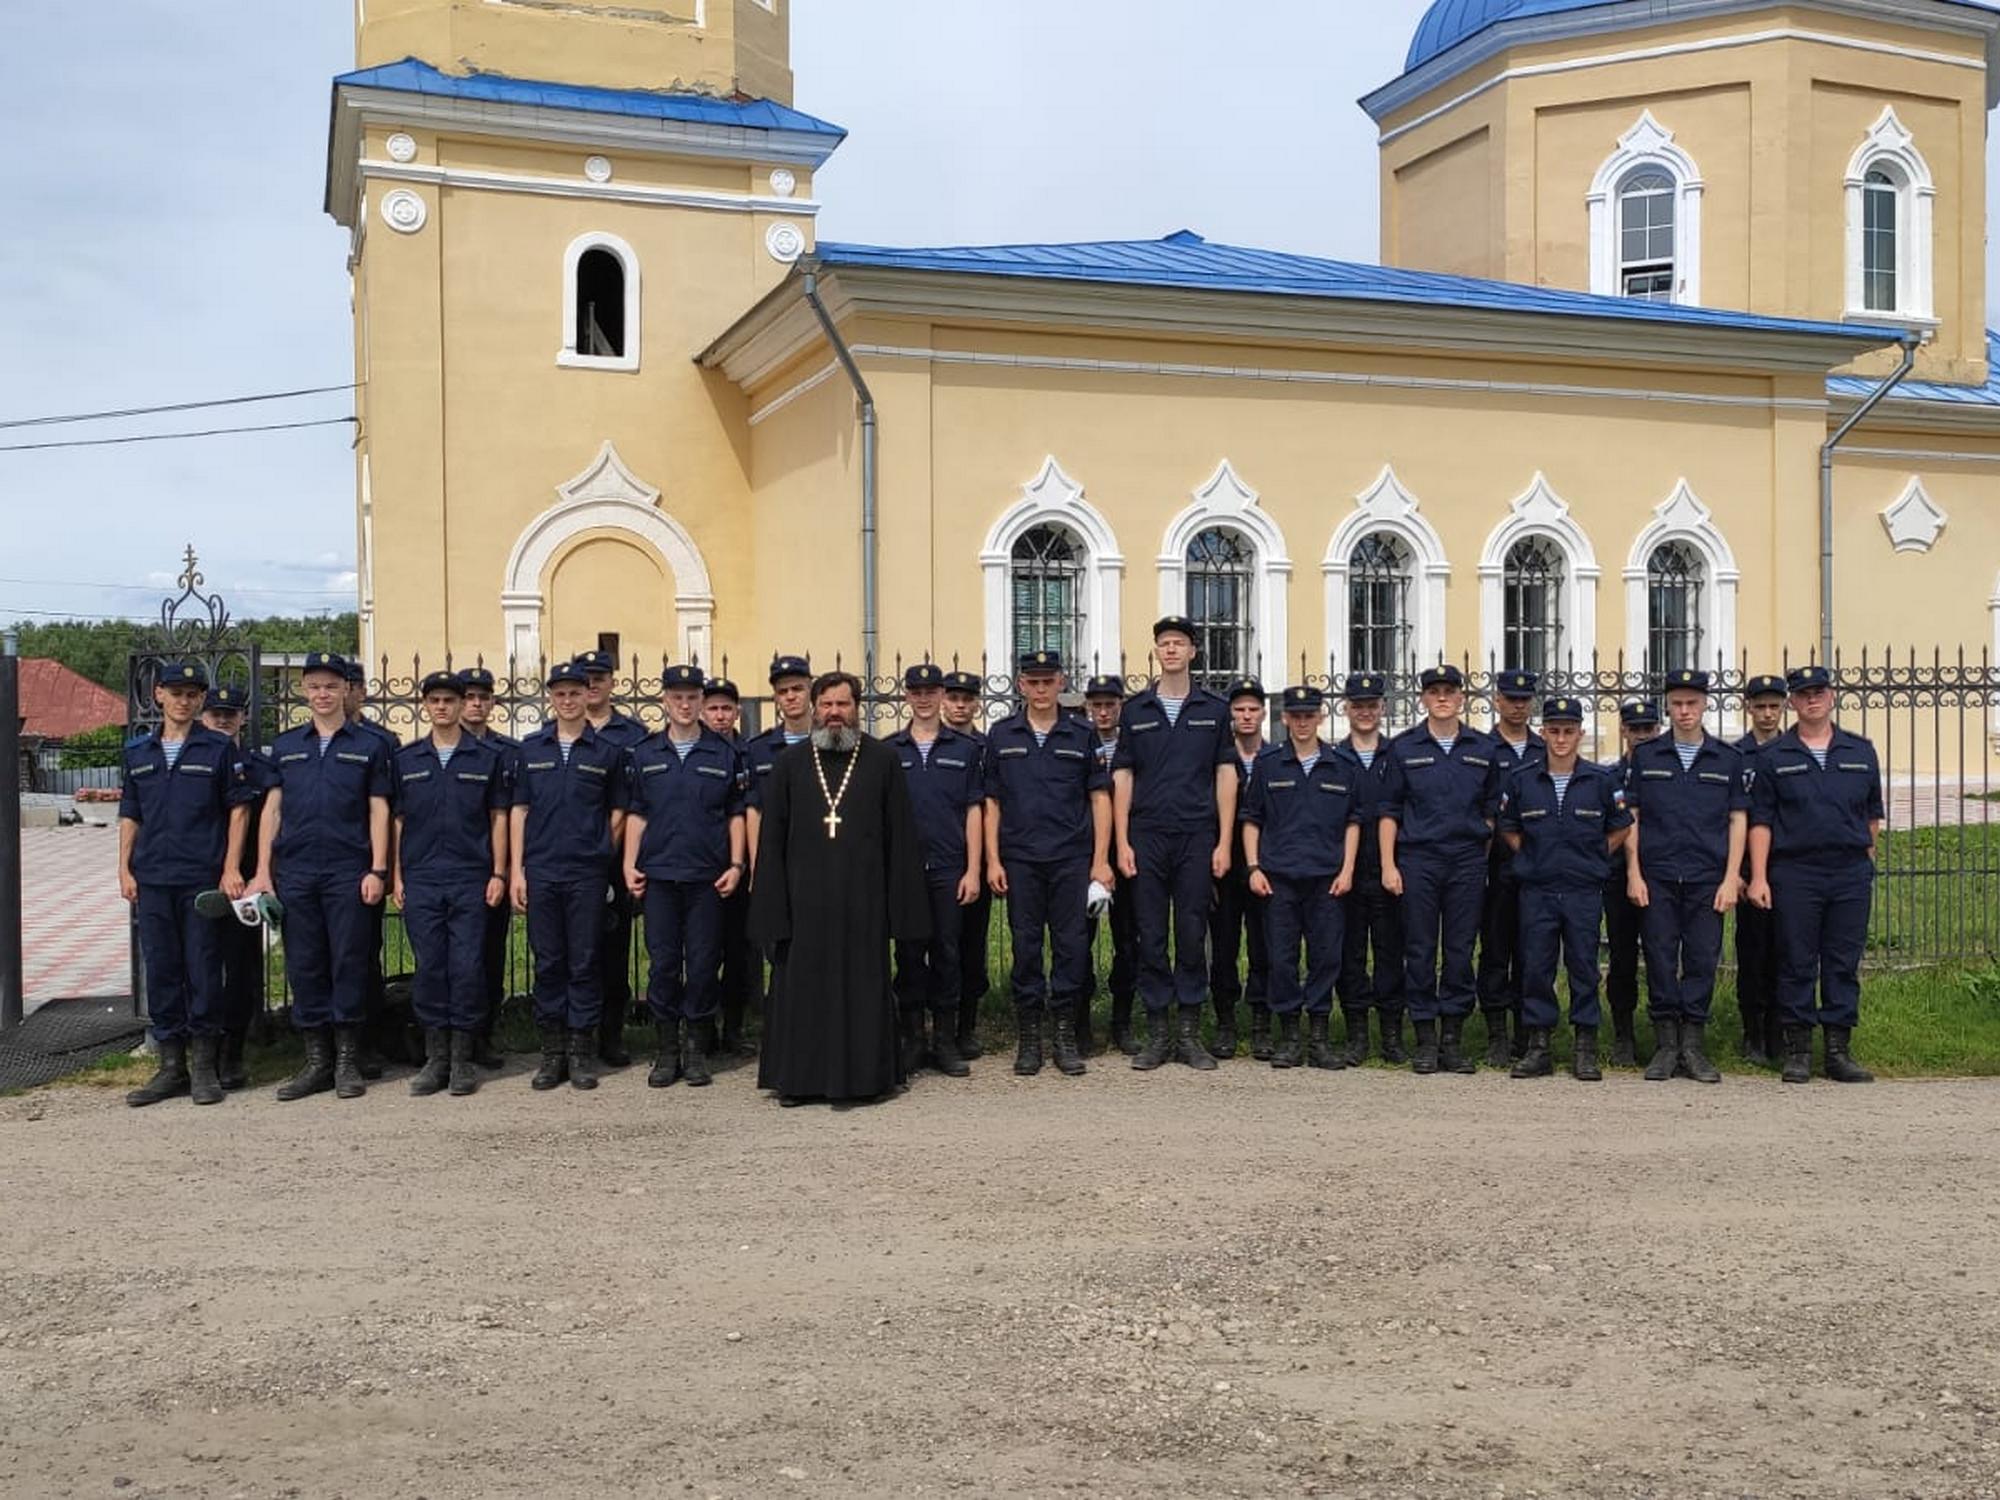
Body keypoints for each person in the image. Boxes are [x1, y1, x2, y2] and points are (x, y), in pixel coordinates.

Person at [747, 671, 933, 1106]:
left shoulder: (882, 760)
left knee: (862, 987)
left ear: (857, 708)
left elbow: (900, 836)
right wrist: (772, 908)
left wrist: (900, 909)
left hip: (863, 901)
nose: (834, 713)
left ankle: (865, 1079)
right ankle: (797, 1080)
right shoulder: (790, 765)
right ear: (814, 708)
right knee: (801, 989)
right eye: (827, 704)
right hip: (803, 901)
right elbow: (771, 839)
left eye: (843, 704)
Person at [247, 652, 394, 1102]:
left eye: (332, 686)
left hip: (349, 870)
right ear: (304, 692)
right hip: (296, 870)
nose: (323, 694)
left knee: (349, 961)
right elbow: (272, 810)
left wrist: (378, 869)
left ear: (347, 690)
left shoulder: (369, 745)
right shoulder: (288, 746)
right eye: (315, 686)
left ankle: (349, 1058)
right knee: (305, 963)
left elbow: (379, 809)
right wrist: (262, 872)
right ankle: (317, 1060)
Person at [119, 662, 257, 1107]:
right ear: (158, 695)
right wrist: (124, 868)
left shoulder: (218, 749)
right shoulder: (138, 751)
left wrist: (231, 867)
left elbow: (239, 810)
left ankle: (203, 1067)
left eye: (193, 694)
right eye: (176, 692)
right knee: (162, 971)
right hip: (154, 877)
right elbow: (130, 813)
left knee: (202, 971)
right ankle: (170, 1067)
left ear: (200, 700)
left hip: (199, 877)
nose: (184, 701)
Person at [1746, 665, 1883, 1085]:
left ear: (1832, 695)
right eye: (1803, 693)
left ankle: (1838, 1052)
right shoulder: (1774, 756)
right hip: (1795, 871)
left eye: (1818, 692)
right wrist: (1760, 877)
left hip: (1848, 872)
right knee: (1796, 960)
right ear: (1793, 701)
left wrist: (1862, 862)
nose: (1812, 699)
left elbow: (1872, 817)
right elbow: (1761, 822)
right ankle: (1798, 1050)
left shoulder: (1860, 751)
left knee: (1841, 963)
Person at [982, 652, 1115, 1077]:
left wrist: (1100, 861)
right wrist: (992, 860)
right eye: (1032, 682)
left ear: (1061, 683)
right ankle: (1029, 1039)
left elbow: (1100, 798)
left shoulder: (1082, 734)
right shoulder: (1001, 735)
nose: (1040, 690)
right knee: (1025, 949)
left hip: (1071, 859)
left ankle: (1064, 1035)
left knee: (1072, 947)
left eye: (1048, 681)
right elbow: (992, 803)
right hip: (1020, 860)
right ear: (1021, 685)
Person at [1114, 616, 1236, 1072]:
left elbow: (1225, 775)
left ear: (1192, 653)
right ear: (1156, 652)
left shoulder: (1214, 709)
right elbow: (1123, 775)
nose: (1170, 650)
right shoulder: (1136, 710)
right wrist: (1123, 839)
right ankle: (1157, 1031)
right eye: (1163, 643)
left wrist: (1223, 841)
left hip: (1196, 834)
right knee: (1150, 934)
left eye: (1178, 643)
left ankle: (1188, 1031)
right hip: (1147, 834)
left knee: (1191, 933)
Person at [622, 664, 747, 1090]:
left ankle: (695, 1049)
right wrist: (629, 863)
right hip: (658, 875)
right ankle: (665, 1051)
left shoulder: (725, 754)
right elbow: (637, 813)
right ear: (665, 701)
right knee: (662, 965)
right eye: (677, 696)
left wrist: (736, 864)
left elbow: (735, 815)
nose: (685, 704)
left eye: (692, 697)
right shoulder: (644, 753)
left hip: (706, 877)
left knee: (703, 964)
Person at [1496, 696, 1631, 1081]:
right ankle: (1539, 1047)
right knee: (1537, 967)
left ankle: (1584, 1048)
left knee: (1583, 967)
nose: (1560, 739)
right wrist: (1535, 857)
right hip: (1537, 889)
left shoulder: (1601, 781)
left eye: (1568, 731)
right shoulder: (1523, 780)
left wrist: (1592, 856)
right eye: (1553, 731)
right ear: (1543, 733)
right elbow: (1508, 827)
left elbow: (1621, 826)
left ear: (1580, 734)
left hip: (1582, 889)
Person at [1625, 669, 1748, 1085]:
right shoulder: (1647, 757)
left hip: (1706, 877)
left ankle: (1693, 1045)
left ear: (1704, 705)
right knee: (1659, 957)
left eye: (1691, 703)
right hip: (1657, 875)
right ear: (1668, 707)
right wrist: (1633, 873)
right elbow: (1633, 818)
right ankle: (1665, 1045)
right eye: (1676, 704)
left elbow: (1737, 820)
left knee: (1701, 959)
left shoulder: (1727, 759)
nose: (1684, 711)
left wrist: (1732, 878)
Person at [510, 660, 627, 1092]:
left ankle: (580, 1052)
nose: (568, 700)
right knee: (549, 961)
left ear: (587, 695)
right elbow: (519, 811)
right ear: (551, 698)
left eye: (575, 692)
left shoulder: (606, 753)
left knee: (584, 961)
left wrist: (600, 849)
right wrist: (516, 870)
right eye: (559, 694)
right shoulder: (531, 749)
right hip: (541, 869)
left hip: (587, 872)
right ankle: (552, 1052)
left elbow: (618, 811)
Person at [392, 670, 510, 1097]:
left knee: (467, 967)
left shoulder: (486, 759)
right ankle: (435, 1058)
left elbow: (498, 819)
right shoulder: (407, 761)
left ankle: (462, 1059)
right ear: (425, 706)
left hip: (471, 876)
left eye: (450, 701)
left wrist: (498, 872)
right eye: (435, 701)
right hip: (422, 877)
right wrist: (398, 876)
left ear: (463, 706)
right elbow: (398, 823)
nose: (442, 707)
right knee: (430, 968)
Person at [1379, 664, 1498, 1074]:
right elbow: (1389, 811)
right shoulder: (1403, 748)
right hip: (1419, 859)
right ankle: (1426, 1038)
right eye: (1434, 692)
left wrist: (1478, 844)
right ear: (1423, 699)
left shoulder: (1482, 749)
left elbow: (1492, 809)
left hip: (1465, 860)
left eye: (1449, 691)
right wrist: (1388, 864)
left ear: (1462, 698)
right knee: (1420, 949)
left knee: (1461, 950)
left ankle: (1453, 1038)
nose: (1442, 698)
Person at [1241, 686, 1363, 1069]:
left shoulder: (1342, 764)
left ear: (1321, 717)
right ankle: (1290, 1037)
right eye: (1296, 715)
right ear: (1284, 719)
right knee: (1282, 958)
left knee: (1326, 957)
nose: (1303, 721)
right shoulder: (1269, 763)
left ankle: (1319, 1039)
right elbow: (1252, 819)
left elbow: (1354, 822)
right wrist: (1253, 867)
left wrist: (1347, 870)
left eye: (1309, 714)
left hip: (1327, 879)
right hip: (1279, 878)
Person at [887, 664, 985, 1078]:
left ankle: (944, 1041)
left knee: (948, 953)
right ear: (906, 696)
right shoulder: (888, 750)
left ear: (942, 694)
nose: (923, 698)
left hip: (950, 867)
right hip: (906, 871)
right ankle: (914, 1039)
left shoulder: (964, 749)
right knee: (909, 953)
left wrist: (973, 869)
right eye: (916, 691)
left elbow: (974, 811)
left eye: (931, 691)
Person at [573, 649, 648, 1070]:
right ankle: (575, 1034)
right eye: (587, 679)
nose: (594, 684)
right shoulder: (559, 734)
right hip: (572, 861)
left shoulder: (633, 735)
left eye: (600, 677)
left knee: (614, 953)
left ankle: (612, 1035)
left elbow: (637, 801)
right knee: (576, 953)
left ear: (612, 683)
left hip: (617, 863)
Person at [199, 683, 271, 1091]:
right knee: (200, 968)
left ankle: (234, 1054)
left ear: (243, 717)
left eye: (231, 713)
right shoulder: (193, 762)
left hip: (245, 884)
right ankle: (201, 1049)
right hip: (200, 877)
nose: (223, 720)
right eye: (215, 714)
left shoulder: (260, 768)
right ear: (203, 717)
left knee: (241, 971)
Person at [1336, 672, 1406, 1065]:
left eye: (1371, 705)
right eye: (1357, 706)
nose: (1365, 712)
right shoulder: (1335, 757)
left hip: (1388, 871)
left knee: (1390, 951)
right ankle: (1357, 1033)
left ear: (1382, 708)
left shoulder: (1397, 756)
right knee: (1350, 954)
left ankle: (1392, 1034)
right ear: (1346, 709)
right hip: (1347, 871)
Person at [1477, 669, 1544, 1066]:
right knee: (1495, 950)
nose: (1518, 705)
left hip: (1536, 865)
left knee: (1533, 951)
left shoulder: (1544, 748)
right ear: (1497, 701)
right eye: (1510, 698)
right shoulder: (1482, 748)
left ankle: (1528, 1031)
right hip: (1495, 865)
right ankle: (1496, 1034)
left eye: (1524, 698)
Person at [458, 666, 519, 1067]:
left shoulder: (510, 752)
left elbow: (515, 812)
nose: (477, 704)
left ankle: (485, 1034)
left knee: (491, 954)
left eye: (484, 697)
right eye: (469, 697)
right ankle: (459, 1037)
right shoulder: (439, 748)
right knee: (460, 958)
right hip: (458, 865)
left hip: (495, 867)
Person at [1209, 676, 1272, 1059]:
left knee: (1264, 947)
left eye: (1253, 709)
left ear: (1264, 713)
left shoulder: (1277, 757)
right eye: (1239, 710)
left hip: (1265, 868)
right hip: (1224, 867)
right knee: (1224, 948)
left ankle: (1262, 1022)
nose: (1246, 716)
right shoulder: (1218, 759)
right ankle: (1225, 1022)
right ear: (1230, 715)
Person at [1080, 674, 1140, 1055]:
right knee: (1078, 942)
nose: (1103, 712)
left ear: (1121, 706)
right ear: (1087, 707)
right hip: (1085, 853)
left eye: (1110, 704)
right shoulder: (1077, 740)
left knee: (1128, 942)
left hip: (1129, 853)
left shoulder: (1134, 743)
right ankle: (1081, 1022)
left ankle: (1122, 1022)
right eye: (1096, 705)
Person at [1600, 699, 1661, 1066]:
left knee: (1660, 955)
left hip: (1660, 875)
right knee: (1622, 956)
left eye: (1648, 729)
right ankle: (1623, 1034)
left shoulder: (1666, 772)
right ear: (1622, 730)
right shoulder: (1608, 777)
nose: (1641, 736)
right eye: (1634, 729)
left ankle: (1662, 1034)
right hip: (1616, 875)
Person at [704, 676, 759, 1059]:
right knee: (704, 952)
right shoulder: (692, 751)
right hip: (701, 866)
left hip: (739, 867)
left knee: (740, 952)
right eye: (714, 708)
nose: (720, 716)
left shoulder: (749, 752)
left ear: (736, 712)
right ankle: (704, 1027)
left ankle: (735, 1027)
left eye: (726, 708)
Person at [1734, 674, 1788, 1066]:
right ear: (1748, 707)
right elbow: (1729, 818)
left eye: (1774, 706)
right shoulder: (1736, 756)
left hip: (1791, 868)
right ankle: (1752, 1032)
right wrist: (1735, 871)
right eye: (1760, 706)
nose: (1767, 714)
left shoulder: (1796, 750)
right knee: (1752, 952)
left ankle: (1782, 1032)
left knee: (1790, 953)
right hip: (1751, 870)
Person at [941, 669, 995, 1058]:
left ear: (977, 703)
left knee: (971, 945)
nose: (960, 706)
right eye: (954, 699)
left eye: (967, 700)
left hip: (974, 858)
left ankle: (967, 1026)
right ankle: (933, 1023)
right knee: (934, 945)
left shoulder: (987, 746)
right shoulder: (926, 744)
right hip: (938, 857)